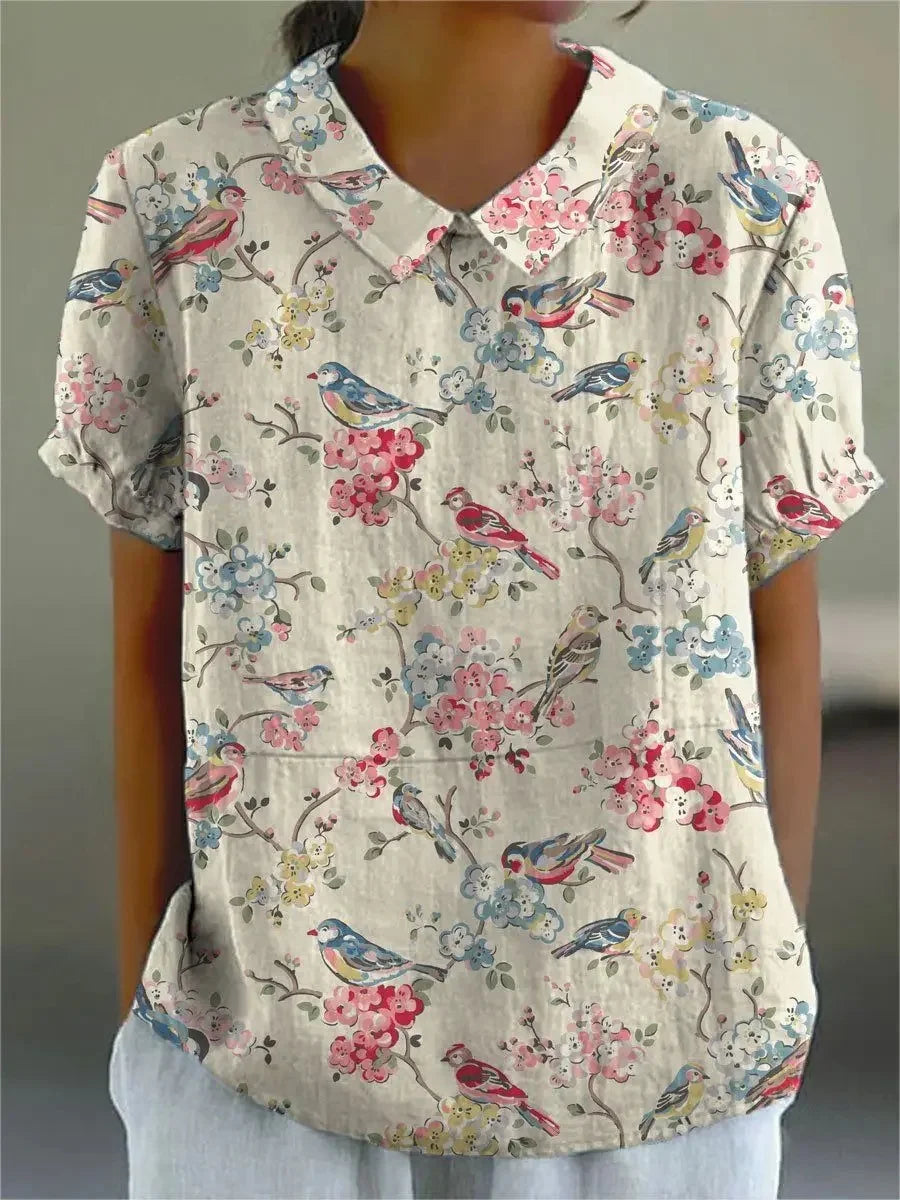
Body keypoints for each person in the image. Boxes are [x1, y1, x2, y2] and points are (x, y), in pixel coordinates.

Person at [36, 2, 884, 1197]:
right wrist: (159, 1043)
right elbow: (151, 646)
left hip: (663, 1062)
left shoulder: (740, 193)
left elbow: (772, 638)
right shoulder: (176, 196)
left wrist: (752, 999)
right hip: (262, 1061)